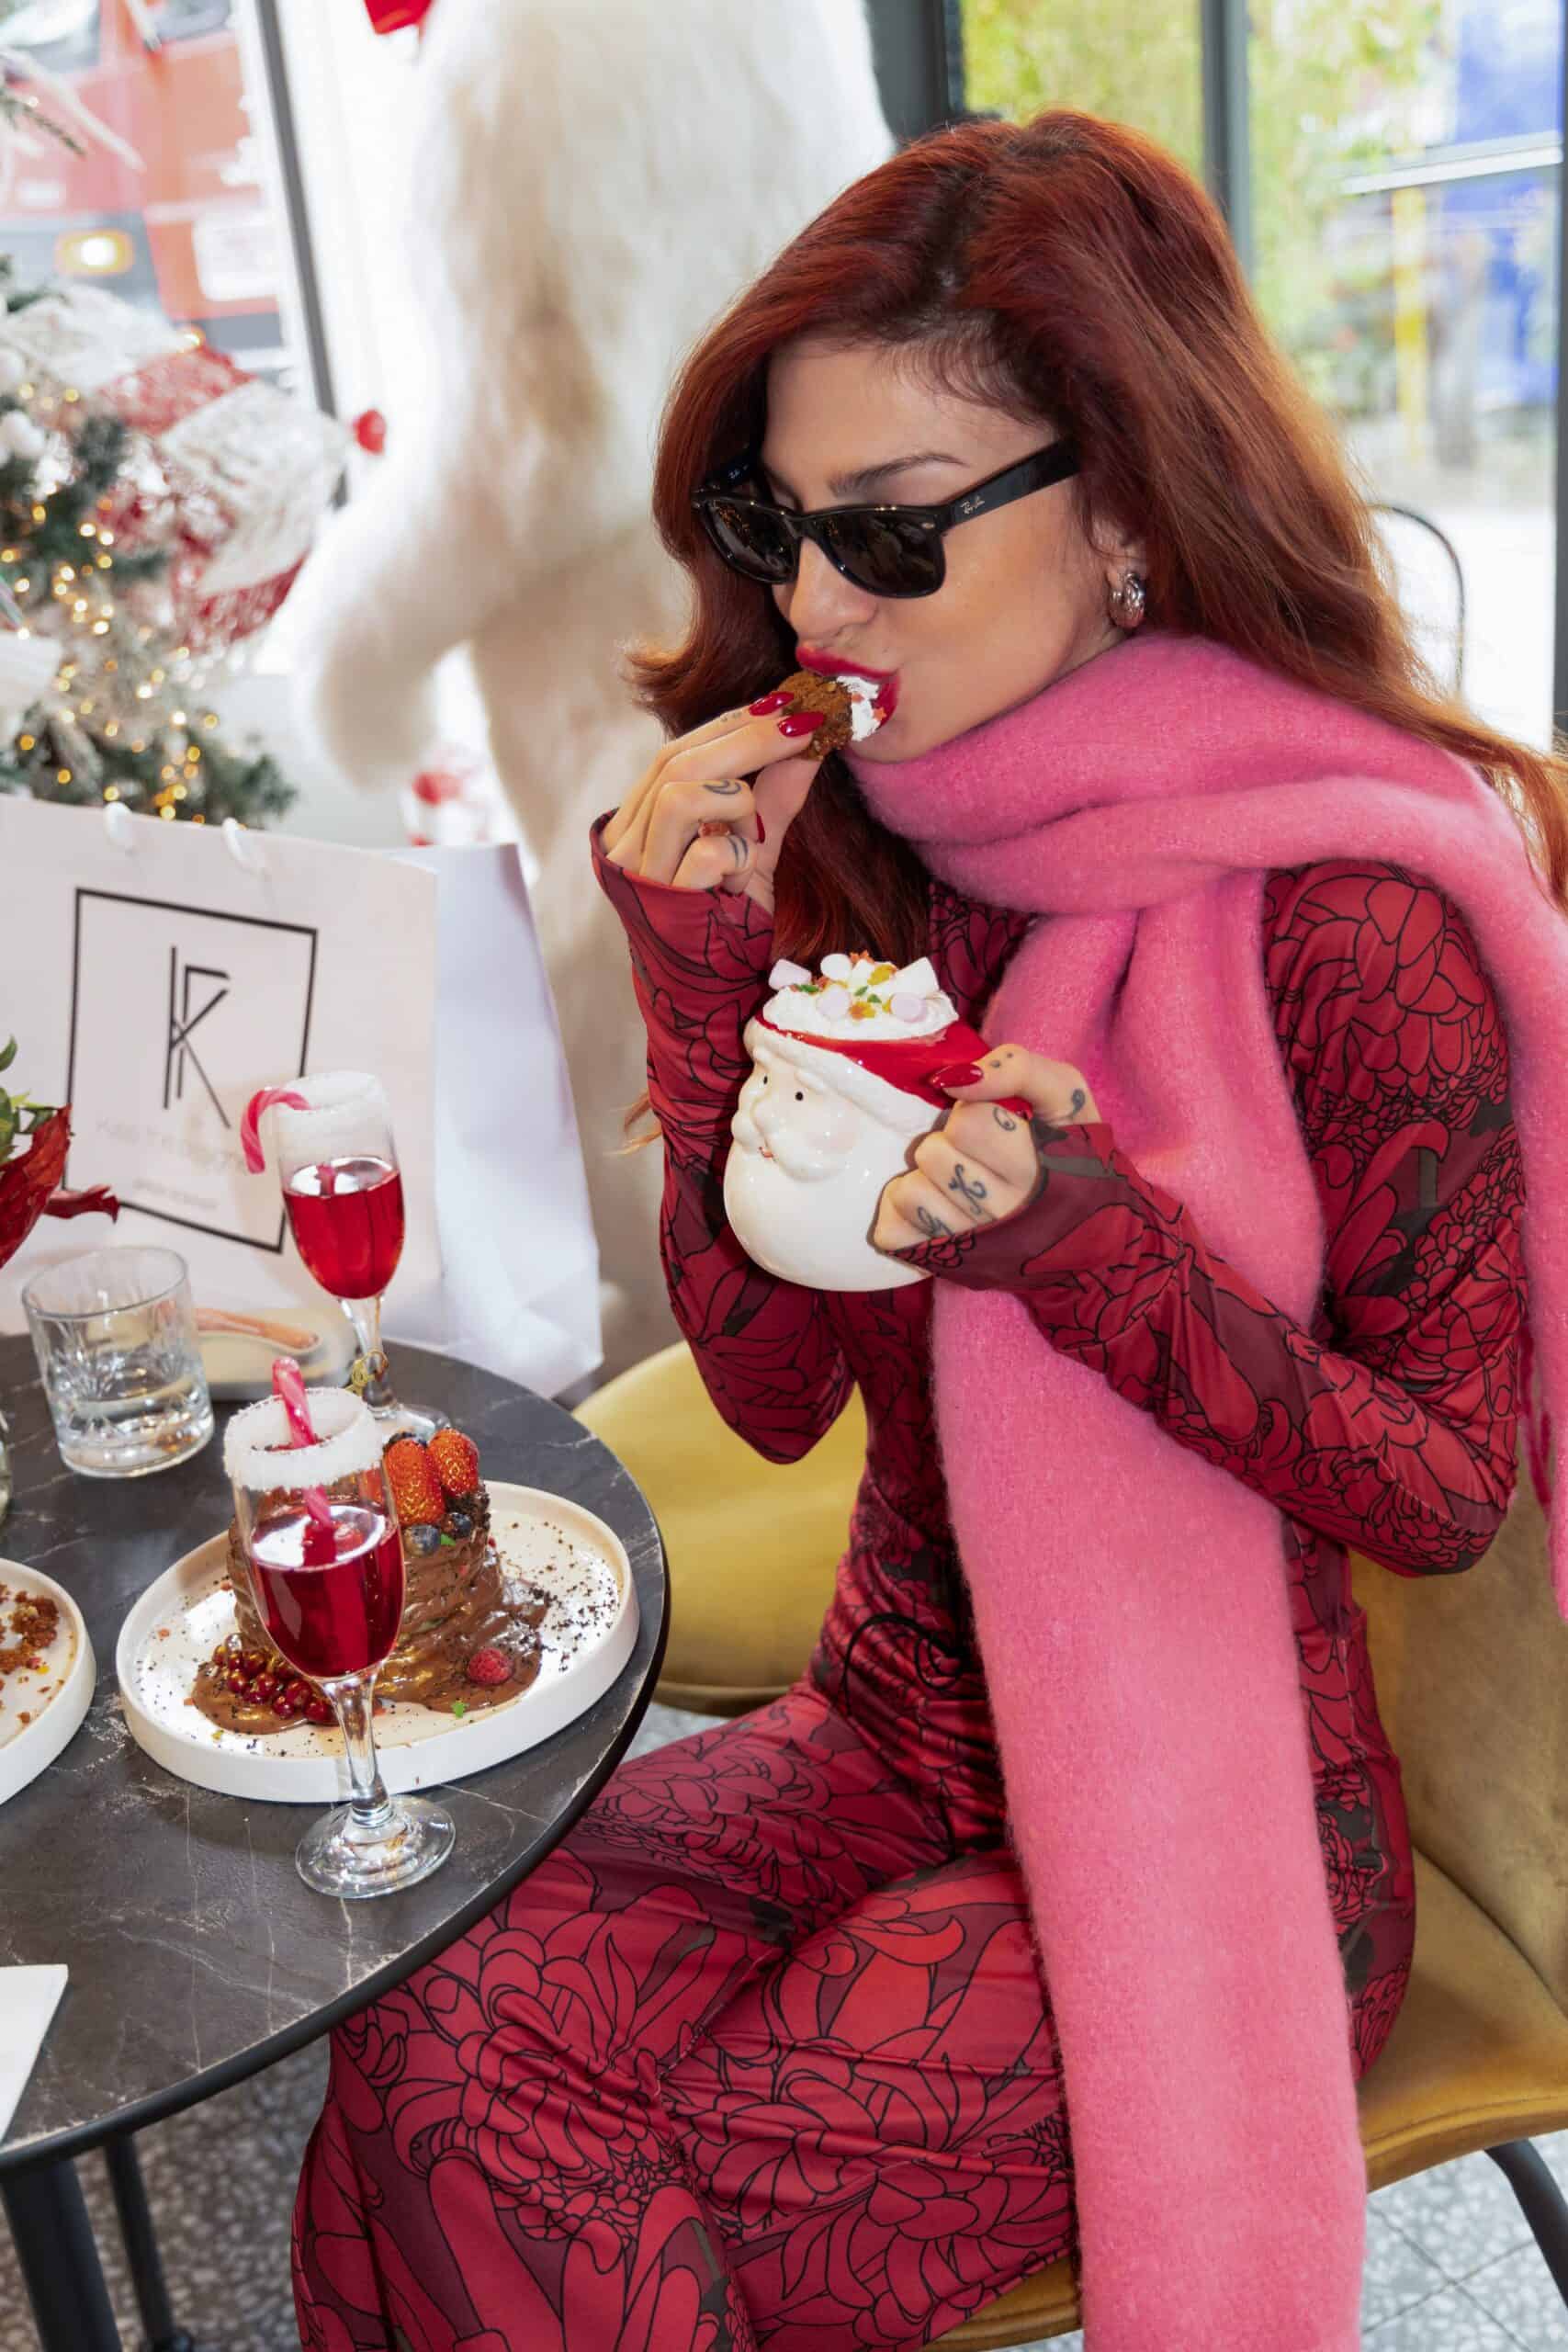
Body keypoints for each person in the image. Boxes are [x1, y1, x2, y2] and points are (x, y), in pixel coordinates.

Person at [294, 110, 1559, 2351]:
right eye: (776, 529)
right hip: (880, 1728)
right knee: (412, 2031)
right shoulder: (876, 843)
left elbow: (1452, 1487)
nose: (808, 615)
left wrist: (1089, 1252)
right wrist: (696, 980)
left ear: (1133, 509)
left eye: (888, 540)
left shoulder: (1345, 911)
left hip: (1218, 1820)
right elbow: (777, 1389)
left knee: (569, 2201)